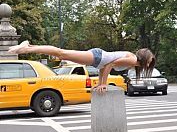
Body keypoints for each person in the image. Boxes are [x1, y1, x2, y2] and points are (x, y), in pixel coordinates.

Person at [8, 40, 155, 93]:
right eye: (150, 61)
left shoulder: (132, 60)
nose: (150, 64)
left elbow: (104, 67)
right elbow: (109, 65)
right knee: (62, 53)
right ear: (144, 57)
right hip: (97, 57)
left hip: (97, 59)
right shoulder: (132, 60)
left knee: (62, 54)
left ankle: (29, 47)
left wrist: (100, 84)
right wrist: (103, 84)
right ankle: (27, 48)